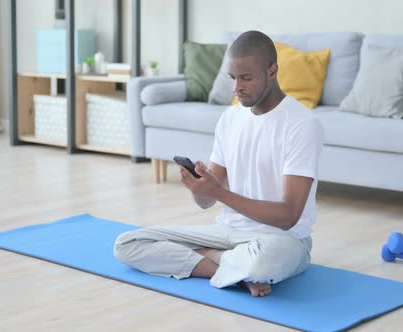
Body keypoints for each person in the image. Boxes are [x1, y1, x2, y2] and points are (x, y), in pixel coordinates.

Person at [114, 30, 324, 297]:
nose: (237, 87)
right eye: (233, 77)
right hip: (226, 232)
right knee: (128, 243)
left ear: (272, 71)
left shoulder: (301, 124)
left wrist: (219, 192)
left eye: (246, 78)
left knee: (260, 262)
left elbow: (287, 216)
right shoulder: (230, 118)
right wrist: (200, 188)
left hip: (282, 241)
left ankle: (218, 261)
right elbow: (206, 202)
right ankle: (228, 271)